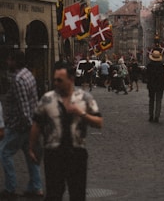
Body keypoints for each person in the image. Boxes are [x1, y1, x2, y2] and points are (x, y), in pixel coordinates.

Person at [29, 60, 103, 201]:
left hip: (76, 154)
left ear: (71, 79)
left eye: (60, 80)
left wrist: (82, 113)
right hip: (53, 154)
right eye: (54, 79)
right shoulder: (47, 99)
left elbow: (99, 122)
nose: (56, 83)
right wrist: (31, 147)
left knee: (77, 194)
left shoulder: (84, 98)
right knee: (53, 194)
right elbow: (37, 123)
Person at [0, 51, 43, 199]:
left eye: (10, 60)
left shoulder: (19, 80)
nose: (7, 63)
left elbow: (24, 107)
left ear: (15, 61)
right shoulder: (28, 74)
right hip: (28, 123)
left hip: (19, 125)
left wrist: (31, 128)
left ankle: (10, 188)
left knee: (5, 153)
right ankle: (36, 187)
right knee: (30, 155)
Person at [146, 50, 164, 123]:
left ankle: (151, 116)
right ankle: (157, 116)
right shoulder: (162, 66)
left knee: (151, 100)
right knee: (158, 101)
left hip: (151, 85)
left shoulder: (149, 65)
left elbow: (147, 75)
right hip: (160, 85)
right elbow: (163, 76)